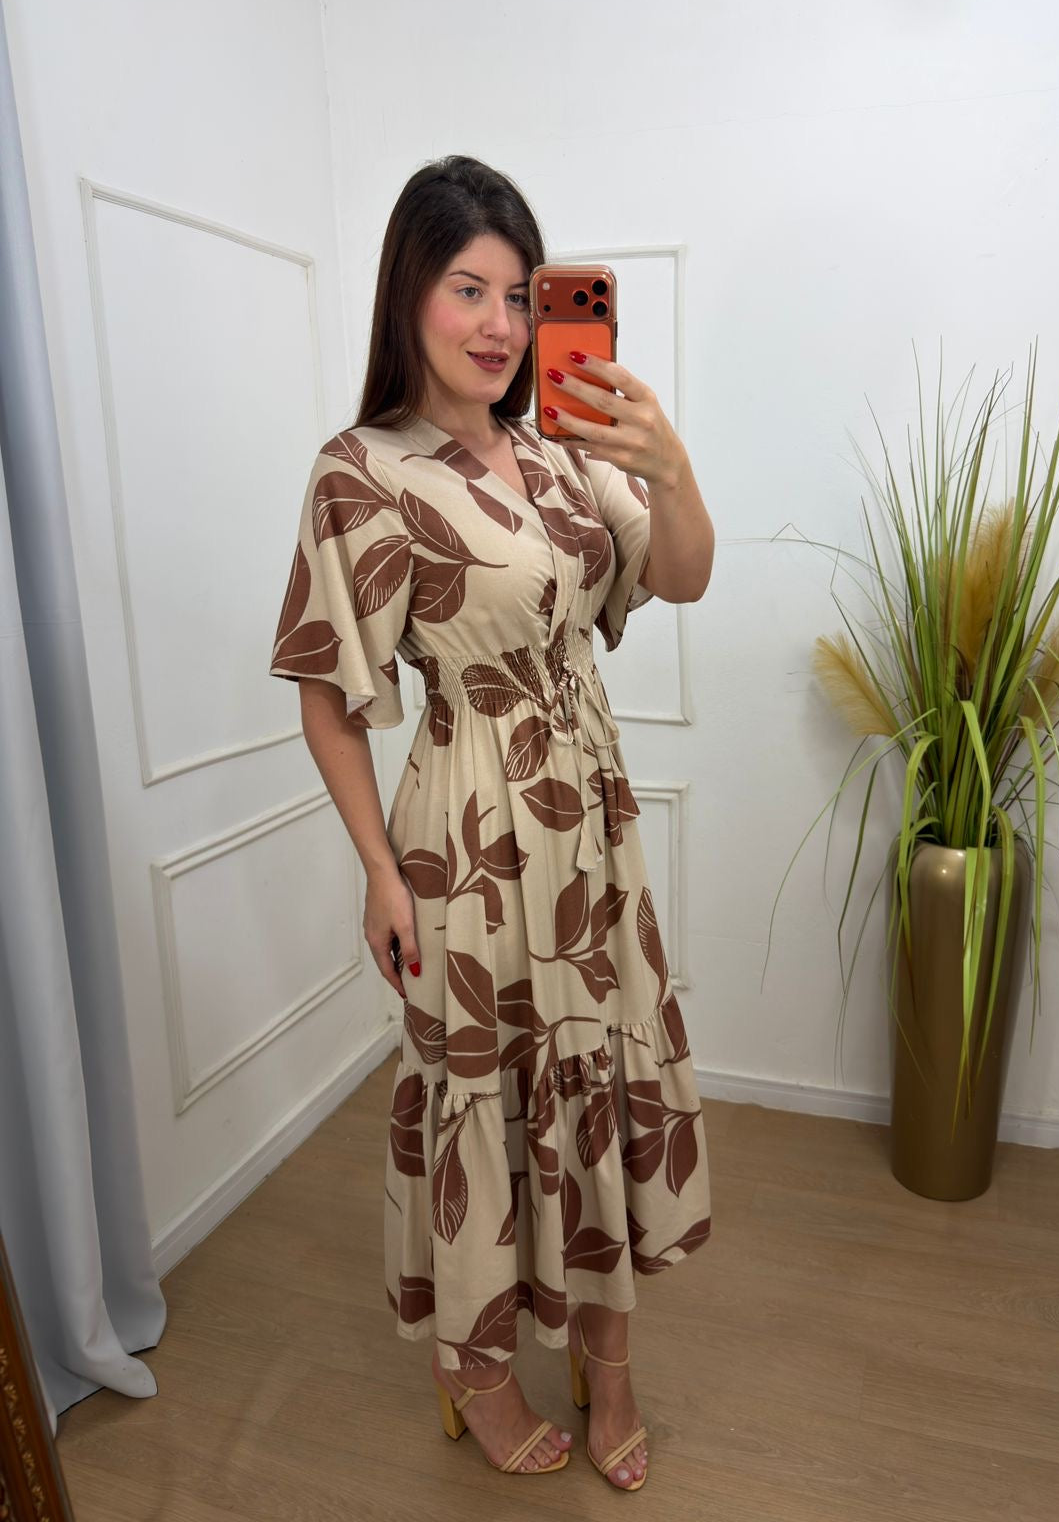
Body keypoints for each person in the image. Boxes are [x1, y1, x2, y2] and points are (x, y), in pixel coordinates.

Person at [268, 155, 714, 1491]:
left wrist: (669, 466)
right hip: (465, 829)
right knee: (483, 1090)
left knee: (596, 1073)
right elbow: (328, 695)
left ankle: (609, 1358)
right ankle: (474, 1366)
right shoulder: (361, 472)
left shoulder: (563, 453)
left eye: (520, 296)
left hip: (591, 827)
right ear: (410, 291)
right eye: (469, 289)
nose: (502, 324)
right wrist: (377, 873)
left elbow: (682, 575)